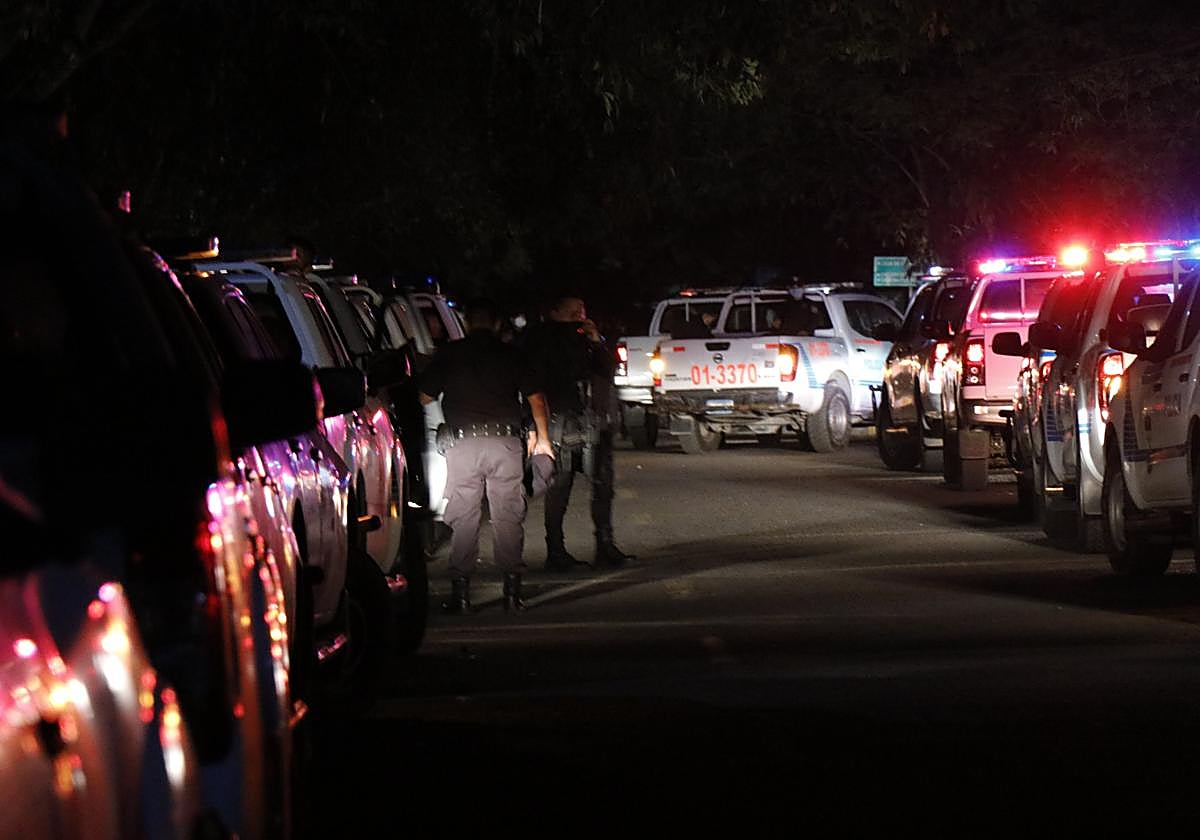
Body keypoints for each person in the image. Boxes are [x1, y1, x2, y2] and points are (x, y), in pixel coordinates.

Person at [420, 298, 552, 613]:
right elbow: (536, 400)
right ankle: (511, 593)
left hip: (463, 445)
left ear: (466, 324)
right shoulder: (512, 355)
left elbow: (423, 396)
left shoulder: (449, 355)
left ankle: (461, 596)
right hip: (505, 444)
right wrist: (544, 439)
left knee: (463, 516)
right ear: (495, 324)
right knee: (508, 514)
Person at [523, 294, 636, 570]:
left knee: (603, 484)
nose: (578, 316)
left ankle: (605, 545)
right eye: (571, 311)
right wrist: (535, 429)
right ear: (554, 312)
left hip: (592, 420)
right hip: (559, 421)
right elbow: (532, 382)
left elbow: (608, 369)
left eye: (581, 310)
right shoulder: (540, 339)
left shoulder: (586, 338)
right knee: (559, 486)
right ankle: (556, 550)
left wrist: (596, 340)